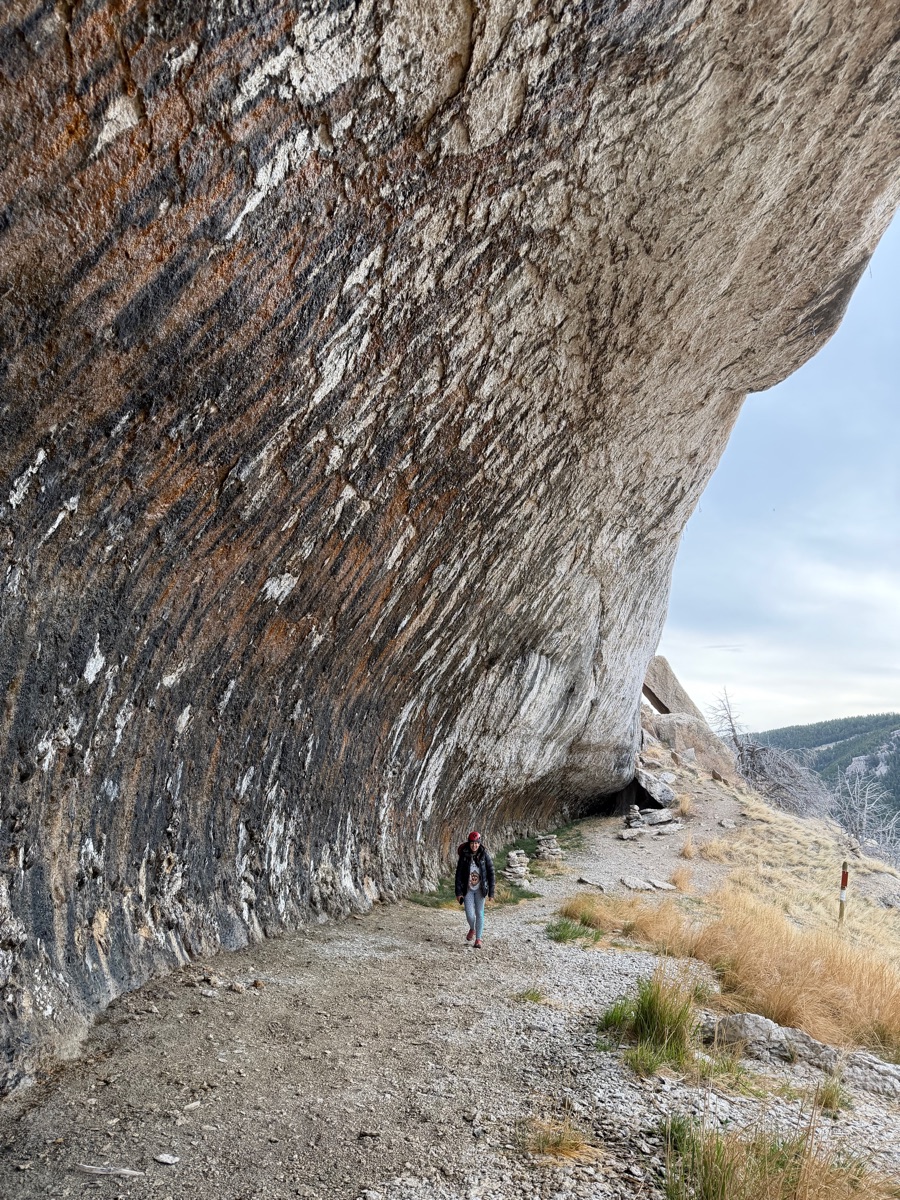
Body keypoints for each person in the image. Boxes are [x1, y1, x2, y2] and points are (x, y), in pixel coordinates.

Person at [455, 830, 495, 948]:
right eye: (472, 843)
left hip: (480, 890)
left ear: (479, 843)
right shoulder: (464, 856)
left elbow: (491, 873)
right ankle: (472, 928)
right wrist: (458, 892)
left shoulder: (484, 856)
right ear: (469, 843)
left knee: (479, 913)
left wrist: (491, 893)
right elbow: (458, 875)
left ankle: (478, 939)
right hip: (468, 889)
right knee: (470, 915)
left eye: (476, 843)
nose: (474, 845)